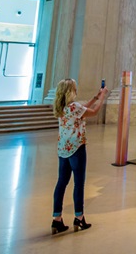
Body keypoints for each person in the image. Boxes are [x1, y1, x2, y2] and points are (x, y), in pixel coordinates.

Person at [51, 78, 108, 235]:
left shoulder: (61, 107)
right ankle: (79, 217)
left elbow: (82, 109)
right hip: (77, 147)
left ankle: (56, 219)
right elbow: (94, 112)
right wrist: (103, 96)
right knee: (79, 184)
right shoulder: (74, 106)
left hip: (63, 148)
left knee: (61, 183)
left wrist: (95, 97)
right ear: (71, 91)